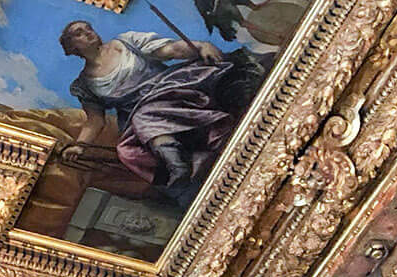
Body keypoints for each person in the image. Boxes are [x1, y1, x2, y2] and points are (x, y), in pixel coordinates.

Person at [55, 20, 258, 195]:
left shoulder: (126, 42)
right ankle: (183, 168)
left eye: (88, 28)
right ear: (71, 47)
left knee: (144, 116)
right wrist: (79, 145)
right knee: (126, 151)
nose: (88, 32)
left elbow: (170, 50)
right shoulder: (84, 85)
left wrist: (201, 46)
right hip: (138, 115)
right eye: (79, 33)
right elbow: (95, 120)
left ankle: (178, 166)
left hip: (170, 90)